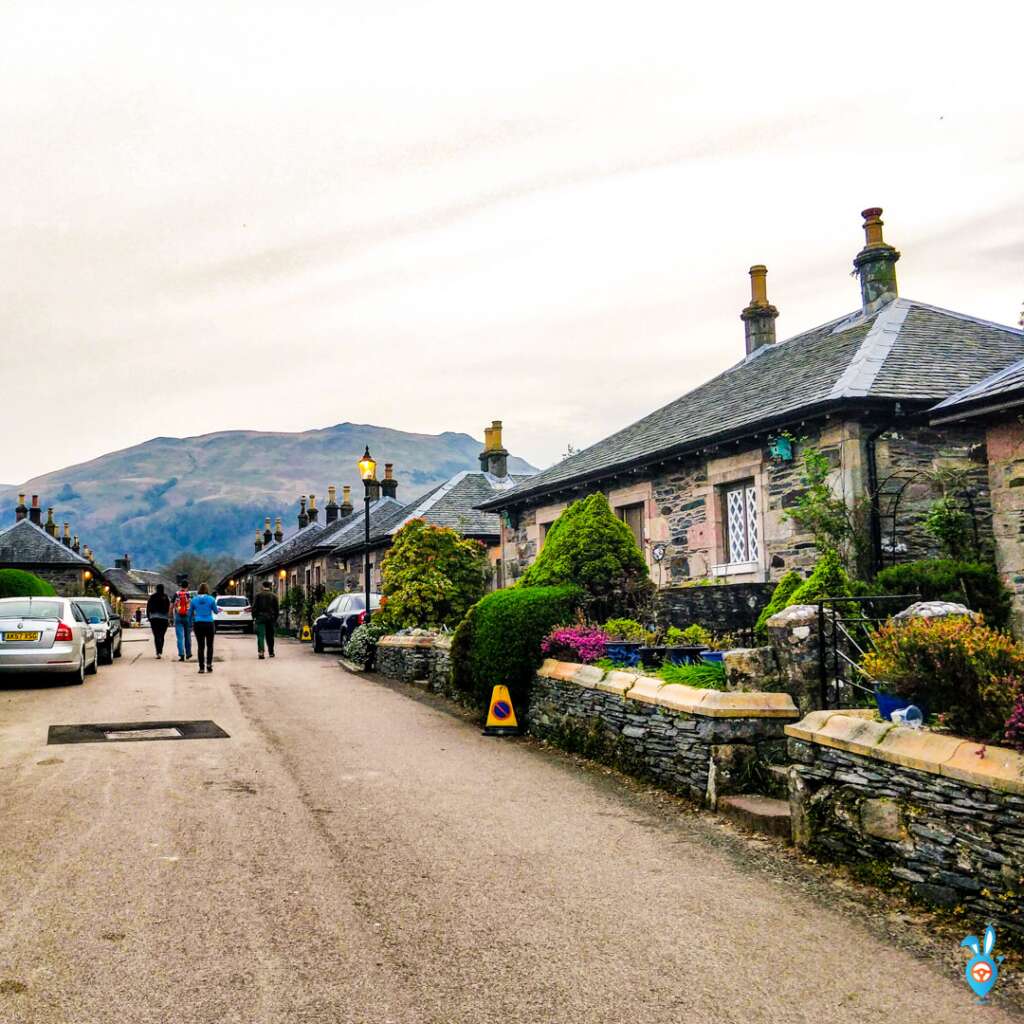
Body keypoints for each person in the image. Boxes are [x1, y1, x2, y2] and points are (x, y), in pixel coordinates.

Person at [190, 582, 217, 673]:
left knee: (200, 646)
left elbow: (190, 613)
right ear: (207, 589)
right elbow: (216, 611)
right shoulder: (211, 599)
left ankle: (201, 667)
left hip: (198, 624)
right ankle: (209, 665)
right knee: (210, 646)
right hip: (209, 623)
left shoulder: (194, 599)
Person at [253, 580, 279, 660]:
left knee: (261, 635)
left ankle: (261, 652)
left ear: (262, 586)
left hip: (260, 618)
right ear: (270, 587)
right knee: (270, 636)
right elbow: (277, 609)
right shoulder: (274, 596)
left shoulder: (258, 596)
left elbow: (254, 608)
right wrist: (275, 618)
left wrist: (254, 617)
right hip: (270, 618)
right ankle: (271, 652)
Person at [146, 584, 171, 659]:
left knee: (156, 635)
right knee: (162, 635)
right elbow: (168, 607)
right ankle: (160, 650)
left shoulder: (152, 597)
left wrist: (149, 617)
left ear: (156, 589)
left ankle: (158, 652)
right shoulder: (165, 597)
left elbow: (148, 607)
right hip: (164, 619)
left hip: (154, 618)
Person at [173, 582, 193, 661]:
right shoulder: (190, 595)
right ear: (187, 586)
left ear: (180, 586)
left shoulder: (176, 594)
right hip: (187, 617)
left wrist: (171, 615)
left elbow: (172, 605)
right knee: (187, 636)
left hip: (178, 617)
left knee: (180, 637)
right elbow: (192, 606)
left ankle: (181, 654)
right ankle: (188, 653)